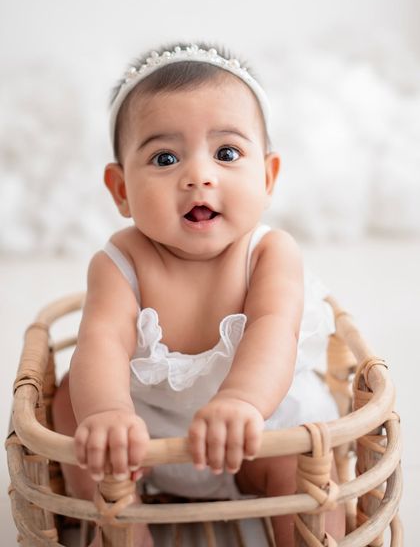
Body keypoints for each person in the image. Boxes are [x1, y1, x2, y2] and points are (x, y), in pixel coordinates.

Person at [52, 42, 345, 546]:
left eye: (227, 153)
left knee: (306, 464)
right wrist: (108, 416)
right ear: (120, 189)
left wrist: (241, 400)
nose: (199, 176)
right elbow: (100, 339)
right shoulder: (118, 261)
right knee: (68, 405)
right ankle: (123, 521)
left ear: (268, 176)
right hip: (144, 447)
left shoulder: (269, 252)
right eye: (165, 157)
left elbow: (275, 330)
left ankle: (310, 537)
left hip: (259, 431)